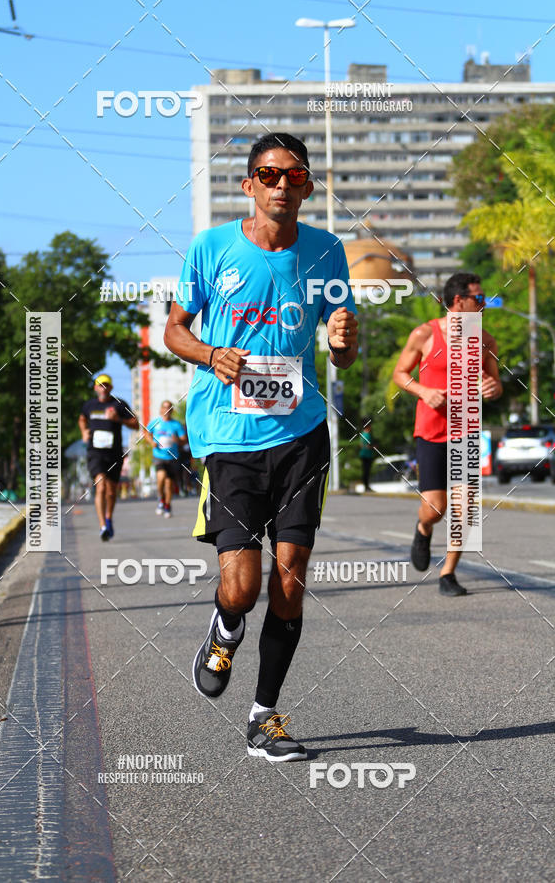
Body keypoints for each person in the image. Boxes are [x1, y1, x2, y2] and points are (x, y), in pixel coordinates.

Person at [164, 131, 358, 762]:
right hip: (228, 434)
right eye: (269, 175)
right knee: (242, 588)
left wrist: (342, 339)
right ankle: (224, 629)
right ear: (249, 185)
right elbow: (174, 330)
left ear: (307, 186)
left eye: (295, 176)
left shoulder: (328, 252)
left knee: (290, 584)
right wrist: (211, 353)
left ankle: (264, 716)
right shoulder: (210, 248)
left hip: (302, 433)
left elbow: (346, 356)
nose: (282, 185)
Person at [392, 272, 502, 596]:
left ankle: (448, 573)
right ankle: (423, 527)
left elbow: (494, 385)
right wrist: (424, 392)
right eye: (478, 299)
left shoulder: (486, 340)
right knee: (435, 508)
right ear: (458, 301)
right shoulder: (425, 334)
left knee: (465, 507)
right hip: (431, 431)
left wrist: (493, 388)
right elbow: (401, 374)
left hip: (466, 431)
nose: (483, 304)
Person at [78, 374, 138, 540]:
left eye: (106, 385)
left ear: (110, 388)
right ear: (95, 388)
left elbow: (135, 424)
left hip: (114, 453)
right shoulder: (89, 405)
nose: (103, 388)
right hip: (95, 452)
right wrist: (84, 431)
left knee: (111, 492)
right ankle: (102, 526)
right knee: (101, 485)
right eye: (100, 385)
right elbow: (82, 419)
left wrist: (118, 419)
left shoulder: (118, 404)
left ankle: (109, 518)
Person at [144, 400, 187, 518]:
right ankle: (161, 500)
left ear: (172, 410)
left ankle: (167, 505)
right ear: (161, 410)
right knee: (161, 478)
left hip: (173, 457)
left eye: (169, 408)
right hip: (159, 456)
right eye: (164, 407)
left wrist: (178, 441)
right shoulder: (155, 422)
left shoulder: (176, 425)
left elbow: (184, 440)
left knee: (169, 484)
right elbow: (146, 433)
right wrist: (151, 442)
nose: (166, 410)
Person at [359, 420, 375, 492]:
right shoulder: (367, 435)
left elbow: (361, 445)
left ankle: (366, 486)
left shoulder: (362, 434)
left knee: (365, 471)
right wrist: (374, 446)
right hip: (367, 455)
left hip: (363, 455)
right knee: (367, 471)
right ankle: (367, 486)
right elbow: (368, 446)